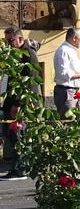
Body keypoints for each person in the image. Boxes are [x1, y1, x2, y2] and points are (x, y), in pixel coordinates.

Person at [2, 27, 39, 180]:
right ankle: (17, 166)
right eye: (6, 41)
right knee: (11, 135)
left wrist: (18, 105)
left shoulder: (28, 54)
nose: (9, 44)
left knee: (19, 135)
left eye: (11, 41)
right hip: (10, 100)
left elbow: (29, 82)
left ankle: (21, 169)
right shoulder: (13, 54)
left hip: (23, 102)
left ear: (20, 39)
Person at [53, 28, 80, 117]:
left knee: (75, 121)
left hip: (73, 91)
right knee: (68, 121)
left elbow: (78, 66)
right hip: (66, 91)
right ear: (74, 38)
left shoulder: (71, 50)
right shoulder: (64, 51)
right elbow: (63, 73)